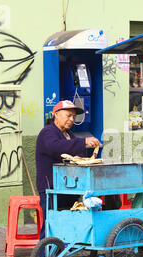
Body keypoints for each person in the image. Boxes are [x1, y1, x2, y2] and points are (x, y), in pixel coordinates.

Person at [35, 100, 100, 246]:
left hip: (67, 187)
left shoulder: (69, 135)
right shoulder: (47, 133)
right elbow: (57, 147)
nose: (71, 120)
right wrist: (83, 143)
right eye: (68, 115)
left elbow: (73, 151)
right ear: (56, 114)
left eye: (73, 117)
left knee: (66, 224)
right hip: (50, 187)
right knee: (51, 225)